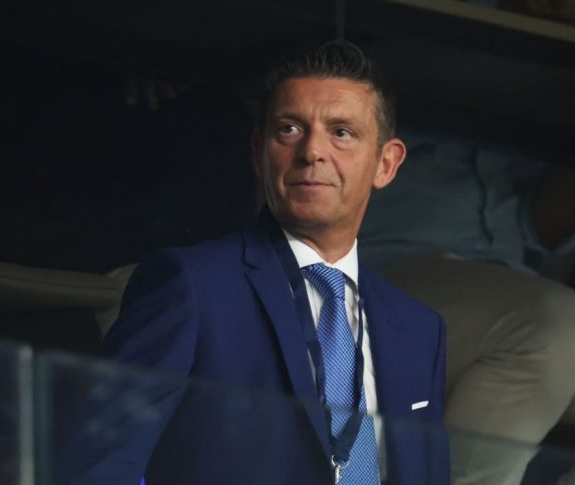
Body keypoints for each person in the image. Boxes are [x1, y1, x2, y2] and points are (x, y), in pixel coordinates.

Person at [56, 42, 448, 485]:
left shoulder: (419, 330)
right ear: (259, 150)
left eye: (341, 132)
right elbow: (98, 467)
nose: (312, 151)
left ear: (386, 164)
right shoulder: (192, 286)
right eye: (289, 129)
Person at [359, 127, 575, 485]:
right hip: (383, 274)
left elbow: (546, 232)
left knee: (557, 324)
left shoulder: (533, 115)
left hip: (511, 285)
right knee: (556, 325)